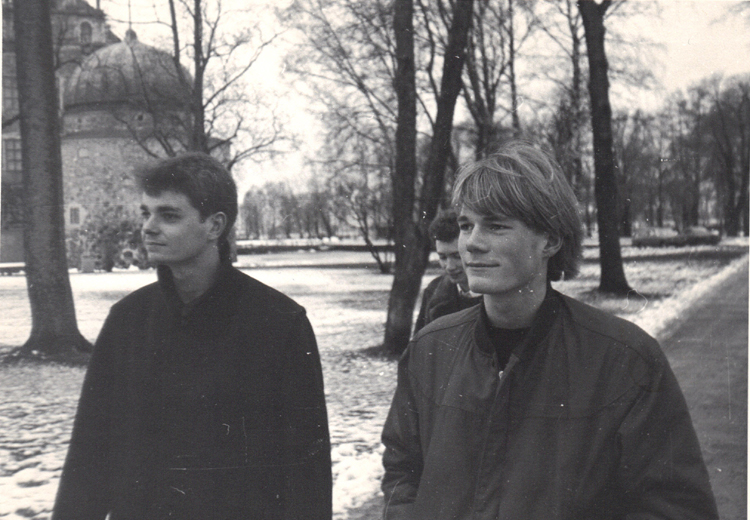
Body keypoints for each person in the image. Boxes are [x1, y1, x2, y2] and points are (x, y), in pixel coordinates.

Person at [381, 141, 718, 520]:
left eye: (496, 226)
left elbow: (677, 507)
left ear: (551, 240)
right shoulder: (431, 348)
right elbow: (402, 471)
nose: (471, 243)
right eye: (465, 226)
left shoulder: (625, 359)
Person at [52, 153, 332, 520]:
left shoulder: (279, 322)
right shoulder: (127, 321)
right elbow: (89, 456)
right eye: (145, 213)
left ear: (214, 225)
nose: (149, 227)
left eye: (168, 215)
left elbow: (307, 472)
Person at [414, 209, 481, 333]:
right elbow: (421, 341)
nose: (449, 266)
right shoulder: (433, 291)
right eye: (443, 257)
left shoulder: (499, 293)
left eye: (457, 256)